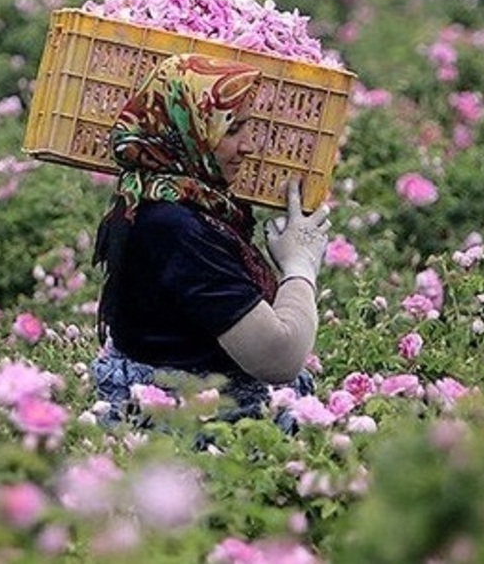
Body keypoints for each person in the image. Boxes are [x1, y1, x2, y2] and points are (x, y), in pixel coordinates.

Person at [90, 52, 331, 436]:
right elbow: (277, 356)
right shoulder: (173, 226)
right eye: (231, 130)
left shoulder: (167, 197)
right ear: (190, 129)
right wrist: (300, 266)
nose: (248, 146)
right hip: (193, 433)